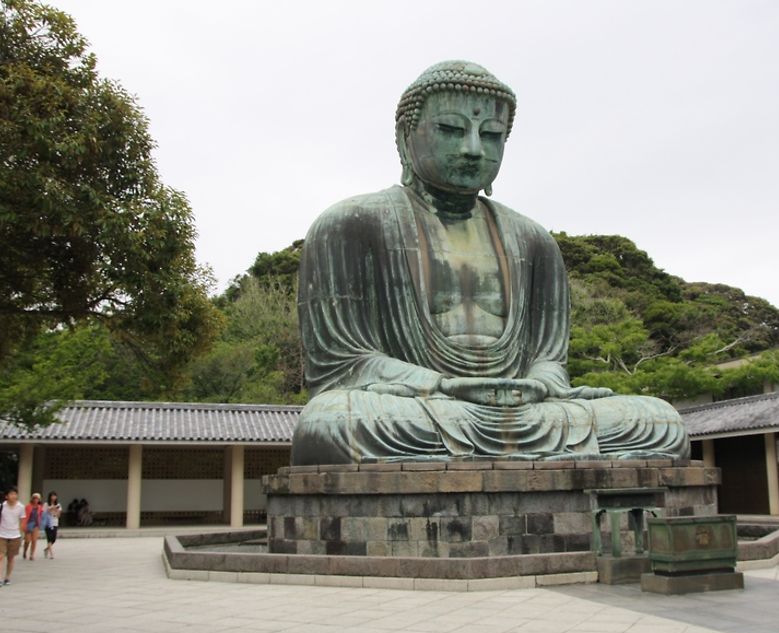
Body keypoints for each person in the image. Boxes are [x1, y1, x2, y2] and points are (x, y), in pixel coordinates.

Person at [291, 60, 688, 464]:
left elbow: (548, 361)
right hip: (420, 407)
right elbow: (345, 365)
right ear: (405, 136)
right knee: (333, 420)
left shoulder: (533, 240)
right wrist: (443, 386)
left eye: (492, 135)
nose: (473, 149)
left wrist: (535, 386)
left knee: (660, 421)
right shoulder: (351, 225)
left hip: (526, 411)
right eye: (451, 129)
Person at [0, 486, 26, 587]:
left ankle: (7, 577)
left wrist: (20, 532)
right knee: (0, 556)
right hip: (1, 534)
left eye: (15, 494)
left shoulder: (20, 507)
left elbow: (22, 520)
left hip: (14, 535)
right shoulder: (1, 506)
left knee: (11, 558)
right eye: (11, 494)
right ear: (6, 496)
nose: (14, 496)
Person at [22, 492, 42, 560]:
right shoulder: (28, 507)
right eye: (35, 498)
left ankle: (32, 554)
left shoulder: (39, 507)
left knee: (34, 540)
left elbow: (41, 515)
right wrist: (24, 525)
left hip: (36, 525)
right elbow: (25, 516)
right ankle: (25, 551)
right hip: (29, 524)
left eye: (37, 499)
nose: (36, 500)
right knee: (27, 540)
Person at [42, 491, 61, 559]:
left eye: (55, 496)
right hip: (48, 523)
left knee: (53, 539)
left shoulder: (58, 505)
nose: (53, 498)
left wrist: (56, 510)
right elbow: (43, 512)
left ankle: (46, 549)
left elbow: (58, 515)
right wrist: (50, 508)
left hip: (55, 522)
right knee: (49, 538)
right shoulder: (46, 504)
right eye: (52, 496)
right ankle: (51, 554)